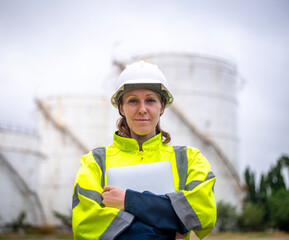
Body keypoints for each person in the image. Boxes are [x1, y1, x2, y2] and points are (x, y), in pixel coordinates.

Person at [72, 61, 216, 240]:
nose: (142, 109)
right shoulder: (95, 162)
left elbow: (202, 214)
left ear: (161, 107)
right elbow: (86, 226)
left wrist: (128, 201)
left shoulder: (189, 159)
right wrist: (169, 228)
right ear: (121, 108)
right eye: (133, 101)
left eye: (150, 100)